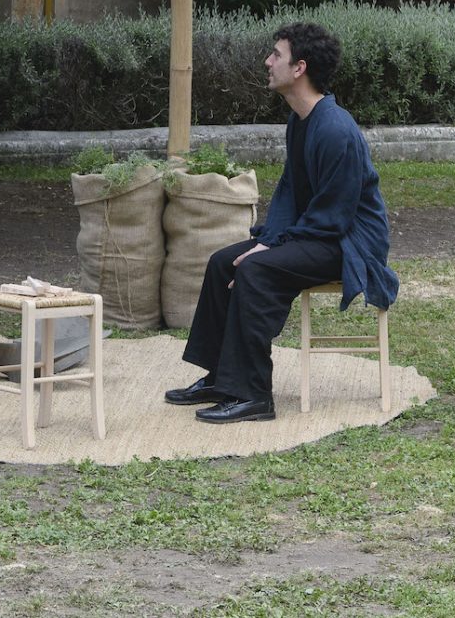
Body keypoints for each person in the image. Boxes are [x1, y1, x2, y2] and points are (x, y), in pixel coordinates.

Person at [166, 21, 398, 424]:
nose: (267, 61)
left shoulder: (335, 128)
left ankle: (254, 395)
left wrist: (272, 248)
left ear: (299, 69)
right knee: (225, 261)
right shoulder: (301, 121)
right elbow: (290, 194)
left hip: (349, 243)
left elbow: (334, 215)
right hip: (319, 231)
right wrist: (270, 239)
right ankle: (222, 377)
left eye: (276, 54)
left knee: (256, 269)